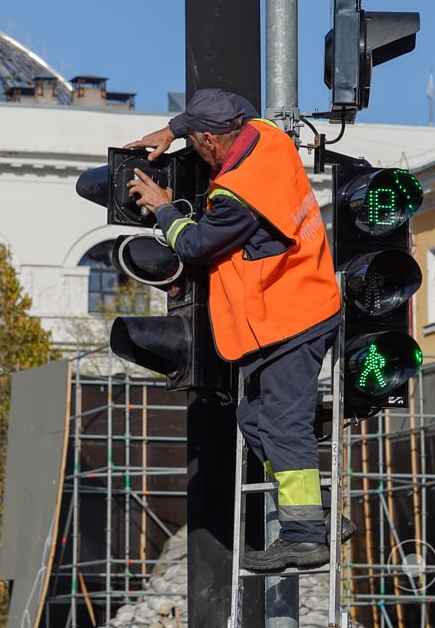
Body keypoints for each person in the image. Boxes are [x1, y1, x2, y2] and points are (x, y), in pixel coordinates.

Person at [124, 88, 343, 571]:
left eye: (196, 142)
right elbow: (221, 111)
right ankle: (317, 513)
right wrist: (173, 129)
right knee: (253, 419)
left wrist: (164, 207)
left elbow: (197, 244)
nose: (197, 153)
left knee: (284, 424)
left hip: (294, 317)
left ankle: (305, 537)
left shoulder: (238, 197)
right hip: (299, 305)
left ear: (210, 140)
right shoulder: (267, 137)